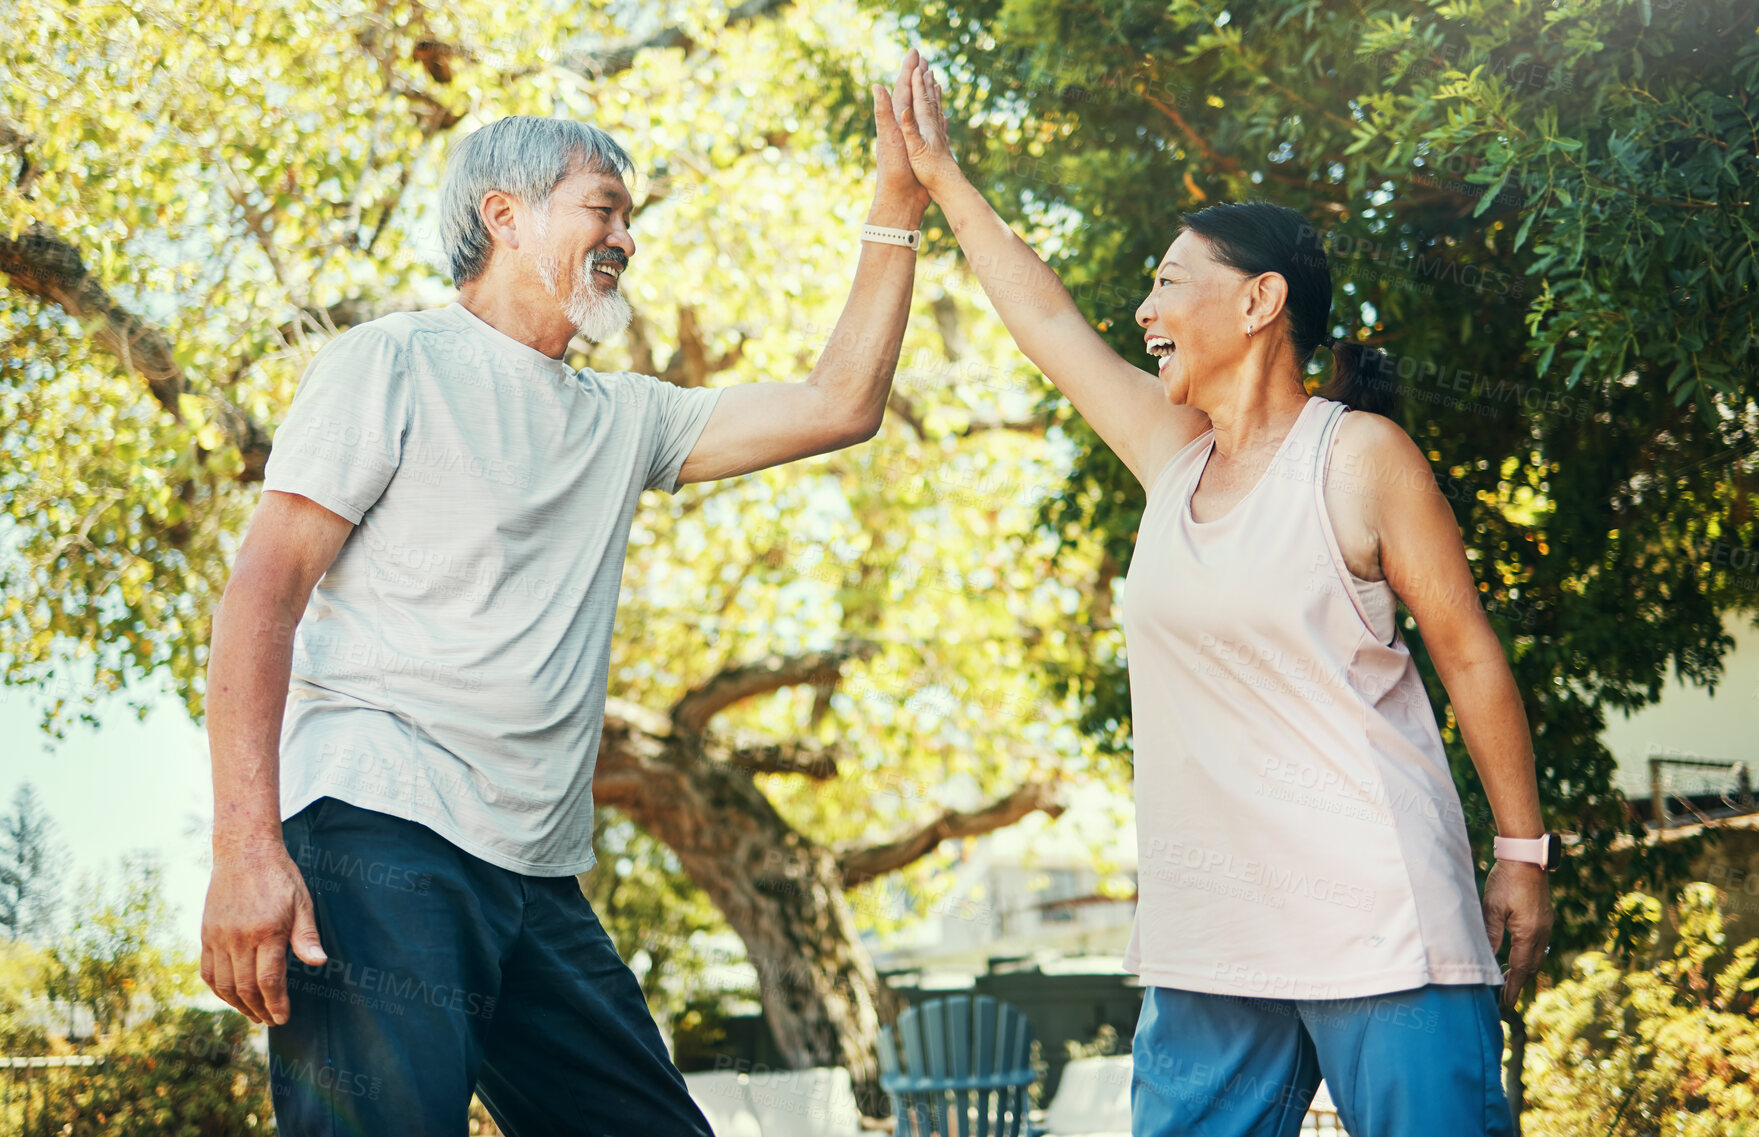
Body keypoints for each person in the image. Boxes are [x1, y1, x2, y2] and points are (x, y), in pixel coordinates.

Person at [199, 53, 934, 1136]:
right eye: (604, 208)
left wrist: (897, 205)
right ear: (504, 214)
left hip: (534, 871)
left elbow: (840, 403)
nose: (627, 239)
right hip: (377, 827)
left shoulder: (621, 417)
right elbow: (261, 597)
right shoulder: (391, 362)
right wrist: (246, 852)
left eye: (630, 218)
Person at [891, 57, 1554, 1136]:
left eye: (1166, 282)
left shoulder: (1359, 459)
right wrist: (943, 181)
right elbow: (1047, 323)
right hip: (1213, 932)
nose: (1143, 308)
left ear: (1259, 300)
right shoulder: (1172, 458)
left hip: (1378, 914)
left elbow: (1469, 655)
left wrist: (1521, 855)